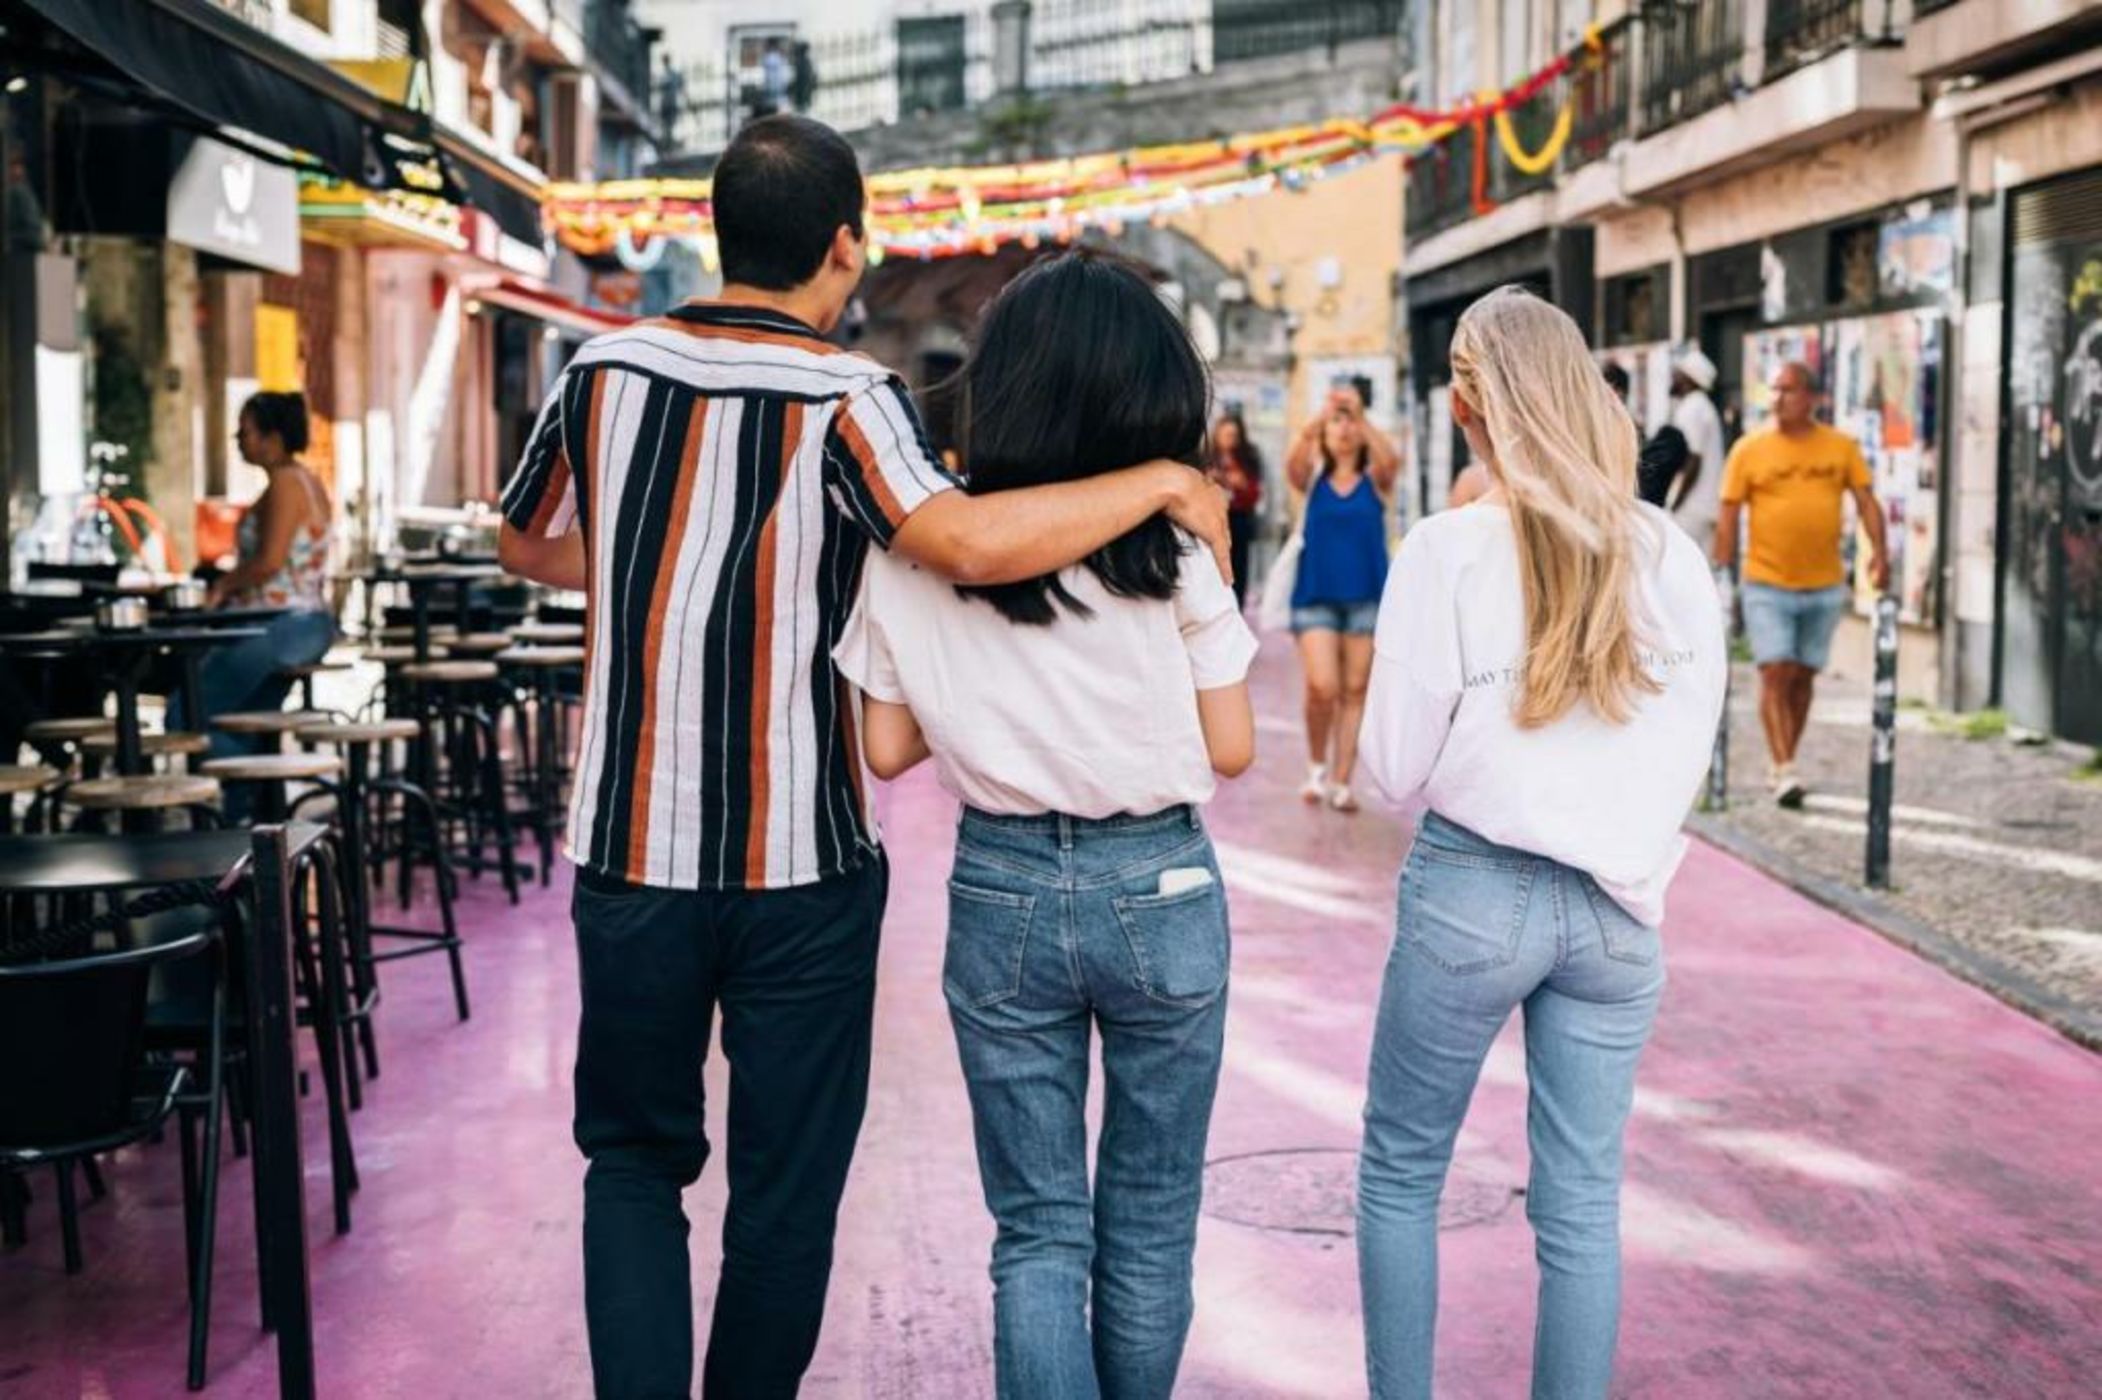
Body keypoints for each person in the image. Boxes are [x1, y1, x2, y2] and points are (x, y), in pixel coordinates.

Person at [494, 114, 1232, 1400]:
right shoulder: (853, 400)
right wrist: (1162, 483)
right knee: (782, 1191)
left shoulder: (598, 373)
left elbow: (527, 544)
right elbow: (967, 545)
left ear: (719, 229)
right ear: (845, 246)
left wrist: (648, 574)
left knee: (628, 1157)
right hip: (801, 865)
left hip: (627, 851)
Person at [836, 249, 1256, 1400]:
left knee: (1035, 1228)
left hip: (1001, 889)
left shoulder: (914, 554)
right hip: (1159, 884)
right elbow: (1227, 746)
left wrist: (987, 704)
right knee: (1152, 1214)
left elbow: (883, 748)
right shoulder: (1166, 548)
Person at [1353, 287, 1726, 1400]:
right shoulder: (1670, 556)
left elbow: (1386, 768)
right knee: (1579, 1203)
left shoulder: (1449, 549)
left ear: (1466, 403)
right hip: (1618, 911)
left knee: (1400, 1171)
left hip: (1473, 889)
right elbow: (1692, 739)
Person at [1714, 360, 1889, 807]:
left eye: (1788, 390)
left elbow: (1867, 503)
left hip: (1824, 583)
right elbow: (1729, 515)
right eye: (1773, 389)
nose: (1778, 398)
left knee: (1802, 677)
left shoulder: (1840, 447)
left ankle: (1784, 757)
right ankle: (1785, 765)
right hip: (1766, 580)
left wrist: (1880, 557)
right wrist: (1721, 574)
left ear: (1812, 397)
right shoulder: (1749, 450)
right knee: (1774, 670)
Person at [182, 391, 337, 761]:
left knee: (186, 712)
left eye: (245, 433)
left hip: (285, 624)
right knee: (241, 719)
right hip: (302, 623)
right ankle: (253, 804)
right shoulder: (305, 481)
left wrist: (223, 587)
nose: (238, 442)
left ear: (273, 438)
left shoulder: (287, 482)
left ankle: (240, 804)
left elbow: (270, 562)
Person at [1283, 384, 1400, 812]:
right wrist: (1322, 415)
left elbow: (1391, 460)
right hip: (1315, 595)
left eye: (1350, 420)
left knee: (1355, 689)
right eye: (1338, 420)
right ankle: (1316, 767)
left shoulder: (1377, 480)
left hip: (1367, 596)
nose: (1345, 427)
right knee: (1322, 686)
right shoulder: (1312, 477)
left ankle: (1341, 781)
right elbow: (1291, 464)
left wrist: (1359, 415)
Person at [1662, 347, 1725, 546]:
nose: (1673, 377)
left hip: (1691, 508)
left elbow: (1693, 459)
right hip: (1703, 506)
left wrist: (1675, 503)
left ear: (1689, 379)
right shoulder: (1702, 405)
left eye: (1678, 373)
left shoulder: (1693, 407)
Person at [1206, 412, 1263, 607]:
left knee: (1238, 569)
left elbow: (1255, 493)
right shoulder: (1207, 458)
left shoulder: (1248, 459)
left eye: (1233, 435)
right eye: (1226, 435)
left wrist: (1239, 483)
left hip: (1239, 519)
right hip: (1212, 520)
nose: (1230, 439)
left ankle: (1237, 607)